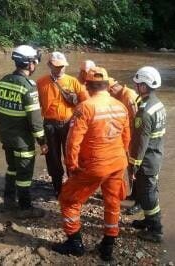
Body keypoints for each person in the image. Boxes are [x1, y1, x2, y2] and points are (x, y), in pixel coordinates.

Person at [52, 67, 130, 262]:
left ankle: (75, 243)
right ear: (106, 85)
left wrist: (71, 165)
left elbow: (73, 141)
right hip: (118, 162)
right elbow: (127, 138)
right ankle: (108, 246)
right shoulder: (121, 106)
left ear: (86, 85)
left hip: (95, 164)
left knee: (69, 200)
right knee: (112, 202)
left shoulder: (85, 107)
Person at [0, 45, 48, 219]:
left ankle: (9, 201)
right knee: (24, 174)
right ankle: (25, 208)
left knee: (11, 168)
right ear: (29, 63)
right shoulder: (28, 87)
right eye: (34, 62)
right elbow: (35, 120)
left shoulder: (2, 81)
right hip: (23, 141)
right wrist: (42, 141)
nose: (35, 65)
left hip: (6, 137)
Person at [36, 52, 88, 197]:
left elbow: (87, 102)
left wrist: (79, 110)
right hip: (49, 125)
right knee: (52, 157)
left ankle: (72, 186)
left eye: (63, 66)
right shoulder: (41, 82)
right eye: (57, 66)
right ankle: (57, 188)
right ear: (49, 65)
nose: (60, 69)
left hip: (68, 124)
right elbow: (36, 105)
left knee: (71, 155)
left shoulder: (73, 82)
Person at [128, 66, 166, 242]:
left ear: (144, 86)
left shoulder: (144, 112)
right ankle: (149, 221)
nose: (135, 87)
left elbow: (140, 142)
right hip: (156, 155)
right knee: (149, 191)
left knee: (148, 194)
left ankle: (156, 229)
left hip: (147, 160)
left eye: (137, 84)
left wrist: (134, 164)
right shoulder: (157, 104)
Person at [108, 77, 141, 215]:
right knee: (130, 169)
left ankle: (139, 202)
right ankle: (133, 195)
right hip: (127, 139)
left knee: (137, 171)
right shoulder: (120, 96)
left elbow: (138, 121)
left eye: (109, 93)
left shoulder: (128, 97)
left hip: (135, 140)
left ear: (112, 89)